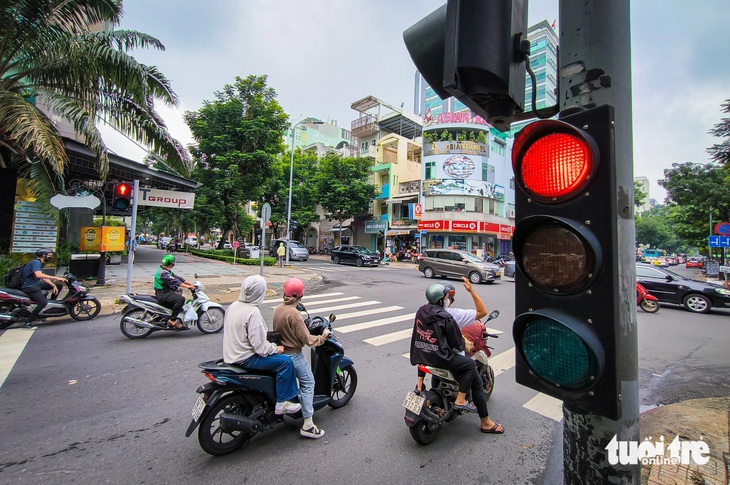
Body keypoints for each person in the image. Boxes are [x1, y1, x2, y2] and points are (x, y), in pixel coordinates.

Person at [410, 283, 504, 434]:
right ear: (442, 299)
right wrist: (463, 345)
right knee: (470, 368)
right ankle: (476, 414)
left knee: (430, 357)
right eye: (447, 297)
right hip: (441, 358)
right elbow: (457, 344)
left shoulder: (422, 310)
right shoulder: (448, 316)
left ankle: (420, 386)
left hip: (423, 354)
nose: (449, 299)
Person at [223, 275, 301, 415]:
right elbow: (260, 348)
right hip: (247, 358)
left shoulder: (233, 306)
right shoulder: (253, 312)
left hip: (231, 354)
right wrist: (277, 349)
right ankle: (283, 402)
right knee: (286, 363)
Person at [272, 277, 330, 439]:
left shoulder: (277, 309)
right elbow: (309, 340)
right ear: (299, 296)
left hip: (280, 353)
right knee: (308, 383)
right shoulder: (294, 314)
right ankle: (308, 424)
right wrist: (323, 337)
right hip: (294, 355)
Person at [20, 249, 67, 329]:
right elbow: (39, 275)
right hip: (30, 287)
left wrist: (53, 285)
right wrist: (56, 277)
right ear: (43, 255)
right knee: (42, 302)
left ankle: (51, 306)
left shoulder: (39, 263)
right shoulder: (36, 263)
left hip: (35, 284)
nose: (51, 257)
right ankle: (28, 323)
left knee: (58, 286)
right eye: (49, 255)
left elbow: (43, 276)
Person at [154, 255, 195, 330]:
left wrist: (189, 283)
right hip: (162, 293)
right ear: (171, 263)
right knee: (181, 299)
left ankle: (171, 314)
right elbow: (175, 281)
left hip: (165, 291)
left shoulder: (165, 270)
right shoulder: (163, 273)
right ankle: (172, 320)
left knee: (179, 292)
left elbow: (178, 278)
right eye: (173, 262)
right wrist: (187, 287)